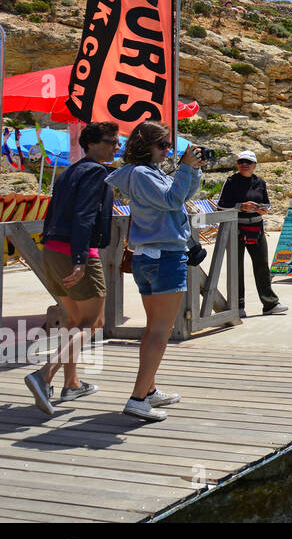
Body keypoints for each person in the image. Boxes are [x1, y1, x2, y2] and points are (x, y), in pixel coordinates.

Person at [105, 122, 203, 422]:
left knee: (154, 328)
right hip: (163, 256)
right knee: (160, 331)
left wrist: (194, 170)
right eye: (162, 146)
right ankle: (137, 398)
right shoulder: (141, 174)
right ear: (146, 146)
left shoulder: (146, 174)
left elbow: (181, 196)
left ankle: (148, 390)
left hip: (151, 256)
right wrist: (184, 168)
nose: (167, 151)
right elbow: (172, 200)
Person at [24, 121, 120, 415]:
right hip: (75, 252)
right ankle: (44, 375)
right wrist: (80, 259)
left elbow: (53, 211)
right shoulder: (95, 172)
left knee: (73, 323)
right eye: (110, 141)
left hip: (52, 248)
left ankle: (72, 383)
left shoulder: (69, 172)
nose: (116, 147)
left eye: (118, 142)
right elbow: (84, 216)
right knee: (93, 324)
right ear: (90, 144)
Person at [217, 150, 286, 317]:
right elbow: (220, 206)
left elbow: (267, 204)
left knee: (262, 266)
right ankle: (237, 306)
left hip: (256, 228)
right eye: (241, 161)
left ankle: (269, 304)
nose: (244, 164)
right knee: (236, 267)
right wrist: (241, 206)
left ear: (255, 165)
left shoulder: (260, 182)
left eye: (248, 162)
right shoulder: (231, 181)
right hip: (236, 229)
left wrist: (263, 210)